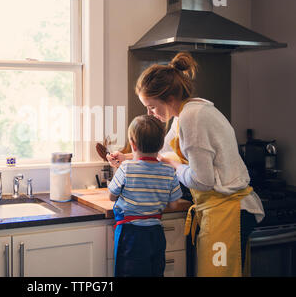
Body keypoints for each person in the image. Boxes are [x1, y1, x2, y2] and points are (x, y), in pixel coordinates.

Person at [107, 52, 264, 277]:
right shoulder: (185, 114)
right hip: (217, 210)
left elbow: (203, 180)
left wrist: (174, 166)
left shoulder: (192, 118)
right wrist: (126, 158)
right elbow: (161, 153)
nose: (149, 113)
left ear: (168, 98)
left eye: (151, 106)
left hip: (229, 211)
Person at [108, 114, 182, 277]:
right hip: (156, 234)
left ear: (133, 145)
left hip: (131, 235)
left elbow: (112, 196)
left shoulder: (126, 168)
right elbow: (174, 205)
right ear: (162, 144)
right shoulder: (169, 171)